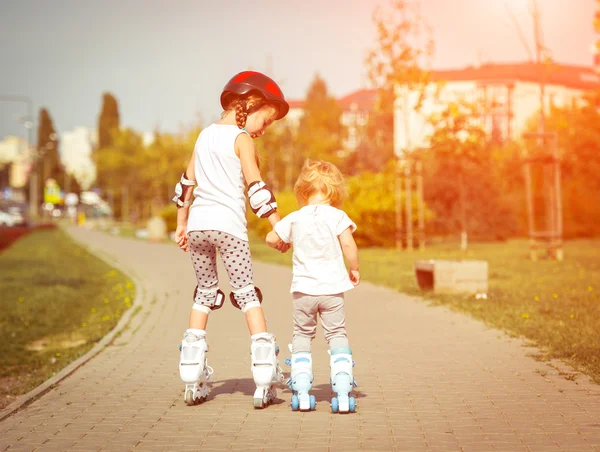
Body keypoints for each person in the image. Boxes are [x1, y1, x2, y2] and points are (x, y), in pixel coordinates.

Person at [173, 71, 290, 408]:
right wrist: (278, 226)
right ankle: (265, 371)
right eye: (265, 120)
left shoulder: (203, 136)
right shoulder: (241, 139)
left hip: (198, 229)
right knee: (246, 294)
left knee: (205, 294)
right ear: (249, 104)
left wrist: (181, 225)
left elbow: (185, 185)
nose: (264, 130)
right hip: (229, 230)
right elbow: (257, 189)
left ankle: (192, 370)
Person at [266, 160, 360, 413]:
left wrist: (281, 243)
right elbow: (349, 245)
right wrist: (354, 268)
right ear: (335, 190)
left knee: (302, 335)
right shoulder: (338, 216)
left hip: (304, 292)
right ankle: (342, 386)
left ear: (303, 190)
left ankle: (302, 386)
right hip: (332, 291)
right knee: (336, 333)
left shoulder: (295, 218)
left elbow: (271, 237)